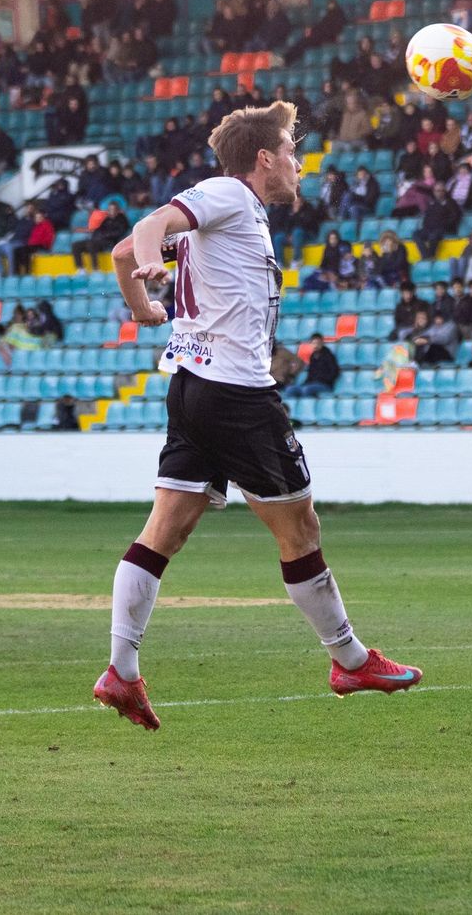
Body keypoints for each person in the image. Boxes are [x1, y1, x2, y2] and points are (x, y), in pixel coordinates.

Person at [95, 100, 423, 730]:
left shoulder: (232, 214)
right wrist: (148, 261)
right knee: (300, 529)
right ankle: (349, 659)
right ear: (265, 159)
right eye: (292, 154)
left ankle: (122, 671)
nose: (298, 166)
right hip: (236, 396)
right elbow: (144, 229)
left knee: (164, 531)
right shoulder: (228, 194)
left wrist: (142, 306)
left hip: (191, 388)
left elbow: (116, 253)